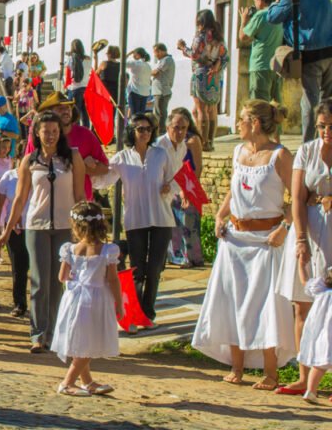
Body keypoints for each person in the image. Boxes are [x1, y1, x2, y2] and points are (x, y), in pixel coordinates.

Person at [191, 100, 295, 390]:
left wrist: (284, 229)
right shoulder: (238, 151)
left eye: (242, 119)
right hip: (234, 239)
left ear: (256, 123)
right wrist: (221, 216)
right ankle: (236, 368)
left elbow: (297, 199)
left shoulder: (280, 156)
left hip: (266, 241)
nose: (237, 125)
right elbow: (233, 191)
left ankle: (271, 373)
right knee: (232, 300)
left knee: (265, 305)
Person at [1, 111, 86, 353]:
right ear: (37, 133)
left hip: (64, 227)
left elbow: (80, 195)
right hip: (36, 226)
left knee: (57, 281)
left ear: (60, 133)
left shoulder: (73, 157)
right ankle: (38, 333)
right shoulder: (29, 160)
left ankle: (55, 332)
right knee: (39, 281)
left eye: (54, 131)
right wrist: (7, 229)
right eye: (45, 131)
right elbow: (20, 198)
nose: (50, 136)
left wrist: (83, 231)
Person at [274, 98, 332, 395]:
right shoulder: (307, 152)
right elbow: (297, 196)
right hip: (309, 229)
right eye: (322, 125)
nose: (326, 131)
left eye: (331, 126)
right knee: (303, 304)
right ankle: (303, 374)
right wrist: (299, 239)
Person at [98, 113, 177, 328]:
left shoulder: (161, 154)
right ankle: (135, 312)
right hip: (135, 219)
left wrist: (169, 188)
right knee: (137, 269)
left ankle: (148, 313)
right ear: (132, 132)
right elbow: (104, 180)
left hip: (161, 218)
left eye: (148, 129)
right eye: (140, 129)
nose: (145, 132)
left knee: (155, 268)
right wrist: (88, 169)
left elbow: (175, 179)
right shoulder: (122, 157)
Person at [51, 201, 122, 397]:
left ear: (76, 226)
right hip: (96, 299)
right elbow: (112, 279)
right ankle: (67, 382)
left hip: (73, 298)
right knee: (90, 341)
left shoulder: (70, 249)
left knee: (81, 339)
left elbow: (62, 277)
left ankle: (88, 382)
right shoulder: (108, 250)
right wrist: (119, 303)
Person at [267, 0, 332, 141]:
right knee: (328, 100)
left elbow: (272, 17)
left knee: (310, 103)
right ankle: (326, 141)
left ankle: (308, 144)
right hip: (330, 52)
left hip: (310, 56)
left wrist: (277, 0)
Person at [25, 93, 108, 201]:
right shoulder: (37, 138)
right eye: (60, 109)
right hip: (46, 206)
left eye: (68, 108)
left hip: (80, 207)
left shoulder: (87, 135)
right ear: (49, 113)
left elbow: (105, 169)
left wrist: (83, 167)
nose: (66, 111)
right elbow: (26, 169)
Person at [177, 10, 228, 152]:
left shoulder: (201, 36)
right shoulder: (219, 38)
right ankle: (210, 141)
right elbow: (225, 58)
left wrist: (183, 47)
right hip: (215, 75)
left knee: (201, 110)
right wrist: (218, 64)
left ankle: (203, 142)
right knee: (210, 109)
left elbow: (194, 54)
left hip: (201, 74)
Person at [160, 108, 204, 267]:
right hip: (174, 184)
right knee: (175, 223)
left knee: (189, 222)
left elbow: (197, 166)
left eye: (183, 127)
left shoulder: (192, 140)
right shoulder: (165, 144)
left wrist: (191, 187)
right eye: (176, 127)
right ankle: (177, 256)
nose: (179, 131)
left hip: (189, 182)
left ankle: (193, 257)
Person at [240, 0, 284, 106]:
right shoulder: (278, 13)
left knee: (259, 106)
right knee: (276, 106)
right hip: (276, 66)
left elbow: (243, 37)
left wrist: (244, 20)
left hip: (260, 65)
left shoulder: (260, 15)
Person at [0, 160, 27, 318]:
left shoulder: (40, 175)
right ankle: (20, 303)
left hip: (37, 226)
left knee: (38, 268)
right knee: (18, 267)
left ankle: (41, 304)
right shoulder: (9, 176)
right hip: (14, 227)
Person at [297, 266, 332, 404]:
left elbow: (305, 281)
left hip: (322, 337)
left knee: (319, 366)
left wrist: (302, 264)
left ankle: (310, 391)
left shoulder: (321, 292)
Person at [66, 40, 93, 127]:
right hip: (86, 88)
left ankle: (76, 133)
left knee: (74, 114)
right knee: (85, 114)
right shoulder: (88, 59)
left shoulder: (71, 59)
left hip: (75, 88)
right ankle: (86, 133)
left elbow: (68, 74)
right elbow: (89, 71)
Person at [151, 44, 175, 124]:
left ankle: (161, 132)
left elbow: (156, 72)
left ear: (160, 51)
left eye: (156, 52)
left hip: (162, 92)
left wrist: (146, 72)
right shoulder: (163, 60)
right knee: (158, 114)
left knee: (160, 115)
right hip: (159, 91)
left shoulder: (167, 60)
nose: (155, 55)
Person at [126, 48, 153, 116]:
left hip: (135, 92)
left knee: (135, 115)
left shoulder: (135, 63)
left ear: (138, 55)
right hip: (144, 93)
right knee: (141, 115)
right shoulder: (148, 66)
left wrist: (128, 54)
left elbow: (121, 63)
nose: (133, 55)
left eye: (134, 54)